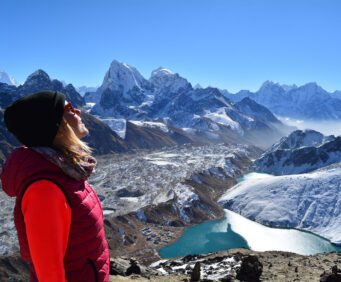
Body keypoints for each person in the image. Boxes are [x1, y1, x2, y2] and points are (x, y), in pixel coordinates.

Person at [1, 91, 110, 281]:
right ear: (57, 127)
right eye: (68, 108)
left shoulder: (65, 171)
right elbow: (50, 275)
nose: (78, 111)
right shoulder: (45, 190)